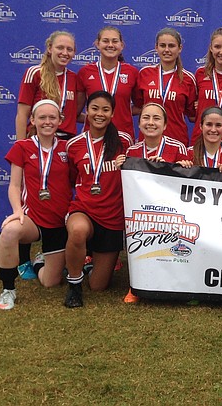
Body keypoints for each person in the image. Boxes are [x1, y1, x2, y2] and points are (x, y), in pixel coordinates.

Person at [0, 99, 72, 309]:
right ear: (33, 120)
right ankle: (8, 289)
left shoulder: (69, 147)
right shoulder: (22, 146)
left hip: (59, 223)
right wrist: (17, 211)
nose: (47, 122)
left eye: (52, 118)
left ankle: (39, 261)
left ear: (60, 121)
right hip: (33, 219)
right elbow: (14, 185)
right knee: (9, 231)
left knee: (50, 282)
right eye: (42, 117)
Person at [15, 30, 79, 280]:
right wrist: (22, 145)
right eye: (60, 48)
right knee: (29, 197)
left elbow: (77, 110)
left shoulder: (74, 78)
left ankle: (47, 252)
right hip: (36, 145)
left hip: (63, 144)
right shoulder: (35, 73)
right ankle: (22, 259)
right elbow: (22, 112)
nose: (65, 53)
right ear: (49, 47)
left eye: (70, 49)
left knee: (58, 198)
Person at [63, 91, 133, 308]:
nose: (99, 114)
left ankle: (84, 265)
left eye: (105, 109)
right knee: (77, 231)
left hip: (112, 218)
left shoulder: (124, 141)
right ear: (86, 111)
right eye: (94, 108)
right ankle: (74, 284)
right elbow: (71, 180)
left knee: (98, 286)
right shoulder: (73, 145)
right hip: (84, 210)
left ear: (112, 113)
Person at [119, 102, 189, 303]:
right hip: (142, 214)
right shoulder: (131, 152)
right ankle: (136, 286)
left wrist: (179, 166)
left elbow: (187, 180)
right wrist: (119, 168)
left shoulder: (178, 148)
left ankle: (179, 284)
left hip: (171, 212)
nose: (151, 122)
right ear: (139, 123)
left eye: (156, 118)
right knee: (138, 239)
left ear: (165, 125)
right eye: (146, 118)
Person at [77, 26, 141, 139]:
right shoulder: (85, 72)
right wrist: (94, 116)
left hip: (122, 135)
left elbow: (140, 106)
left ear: (122, 45)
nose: (110, 45)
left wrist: (123, 112)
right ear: (97, 44)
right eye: (105, 41)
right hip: (92, 136)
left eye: (115, 41)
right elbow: (76, 111)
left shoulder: (132, 72)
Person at [137, 28, 196, 146]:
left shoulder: (188, 79)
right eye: (162, 45)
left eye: (172, 46)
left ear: (180, 48)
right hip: (148, 139)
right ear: (156, 47)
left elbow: (192, 116)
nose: (167, 50)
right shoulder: (145, 74)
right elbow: (139, 106)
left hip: (177, 140)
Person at [185, 106, 222, 172]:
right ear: (201, 126)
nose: (213, 130)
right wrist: (181, 168)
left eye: (218, 125)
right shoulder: (189, 153)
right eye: (209, 124)